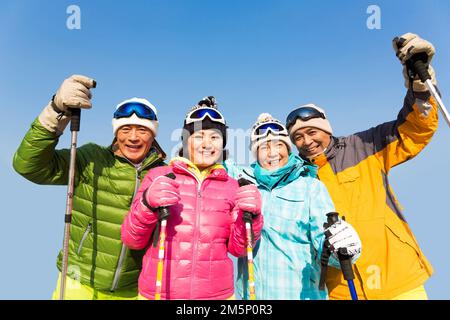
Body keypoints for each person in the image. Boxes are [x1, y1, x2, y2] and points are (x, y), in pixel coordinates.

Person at [285, 33, 439, 300]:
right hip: (341, 289)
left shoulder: (364, 145)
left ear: (326, 129)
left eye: (312, 132)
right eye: (298, 138)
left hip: (398, 280)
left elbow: (413, 130)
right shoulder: (298, 176)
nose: (307, 141)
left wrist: (419, 83)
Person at [13, 75, 166, 300]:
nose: (133, 137)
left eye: (142, 130)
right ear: (116, 133)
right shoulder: (90, 158)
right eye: (125, 129)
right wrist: (56, 110)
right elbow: (28, 165)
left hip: (134, 290)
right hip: (79, 281)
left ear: (153, 135)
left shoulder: (164, 174)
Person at [121, 96, 264, 300]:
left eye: (215, 137)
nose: (207, 144)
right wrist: (146, 204)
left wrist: (252, 217)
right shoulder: (159, 177)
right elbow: (132, 239)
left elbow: (239, 249)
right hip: (159, 293)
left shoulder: (232, 186)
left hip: (217, 296)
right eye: (199, 136)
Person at [225, 113, 362, 300]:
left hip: (301, 294)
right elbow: (213, 164)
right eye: (264, 147)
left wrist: (341, 248)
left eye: (279, 145)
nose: (273, 153)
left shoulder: (310, 187)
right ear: (256, 153)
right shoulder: (244, 182)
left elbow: (323, 244)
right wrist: (207, 126)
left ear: (288, 149)